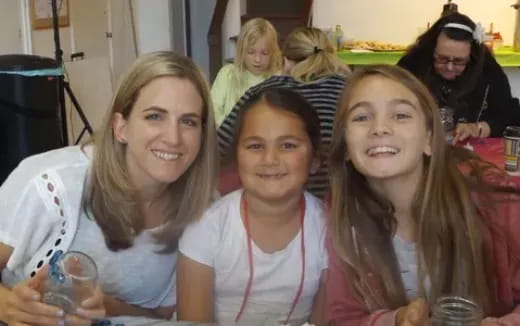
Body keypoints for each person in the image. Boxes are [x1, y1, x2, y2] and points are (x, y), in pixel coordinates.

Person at [0, 51, 217, 325]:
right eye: (154, 117)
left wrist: (101, 305)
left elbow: (159, 317)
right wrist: (8, 306)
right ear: (120, 127)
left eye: (188, 121)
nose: (173, 138)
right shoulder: (51, 183)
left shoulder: (204, 211)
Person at [325, 64, 520, 325]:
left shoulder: (494, 201)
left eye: (401, 115)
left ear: (430, 139)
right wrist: (396, 320)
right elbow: (341, 317)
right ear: (346, 146)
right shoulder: (338, 218)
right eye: (361, 117)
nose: (379, 128)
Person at [177, 88, 327, 326]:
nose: (270, 159)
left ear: (314, 160)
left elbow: (324, 320)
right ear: (236, 158)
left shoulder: (330, 230)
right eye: (255, 146)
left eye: (287, 145)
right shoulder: (206, 229)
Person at [218, 26, 350, 198]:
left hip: (274, 199)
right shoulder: (351, 91)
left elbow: (217, 147)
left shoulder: (263, 91)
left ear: (286, 61)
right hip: (342, 201)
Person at [398, 12, 520, 143]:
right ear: (431, 50)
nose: (449, 67)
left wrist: (478, 128)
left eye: (459, 61)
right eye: (442, 58)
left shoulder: (486, 69)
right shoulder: (412, 65)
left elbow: (511, 116)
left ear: (472, 57)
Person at [211, 17, 282, 126]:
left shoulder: (278, 78)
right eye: (251, 52)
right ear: (241, 51)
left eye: (264, 53)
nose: (257, 59)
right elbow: (212, 111)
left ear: (273, 53)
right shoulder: (227, 74)